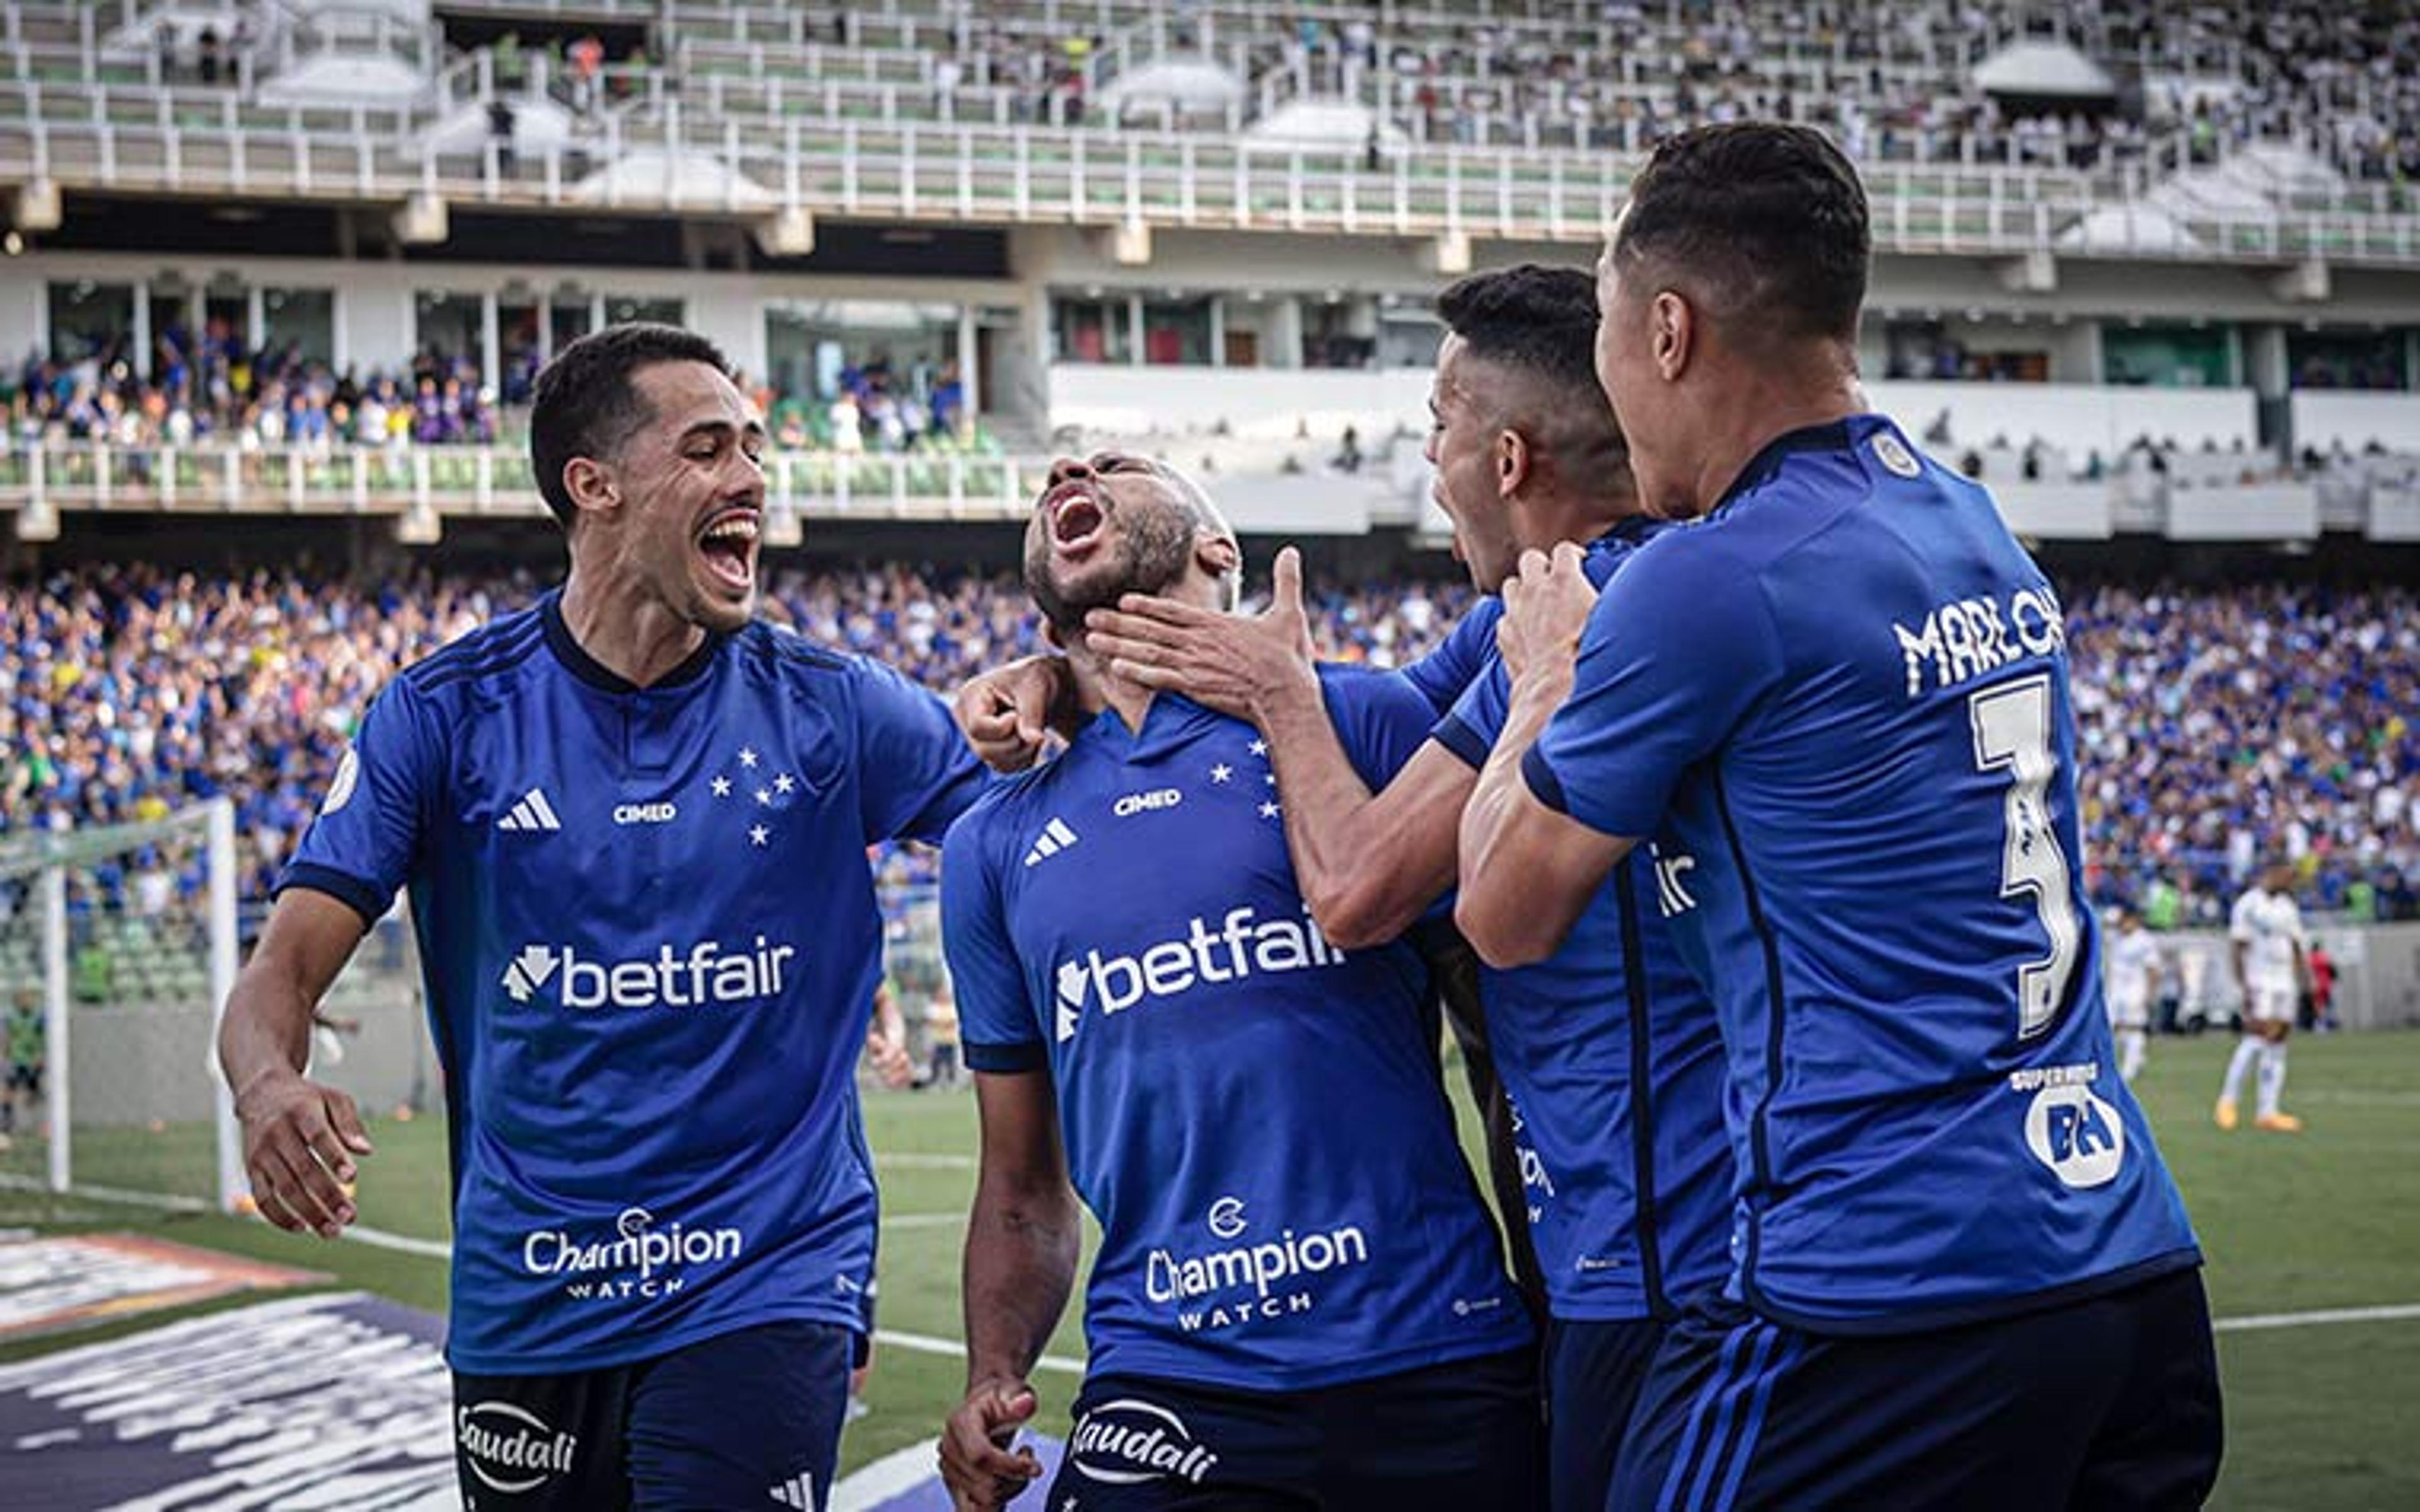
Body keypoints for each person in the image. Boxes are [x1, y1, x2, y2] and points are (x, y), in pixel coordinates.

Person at [1455, 123, 2218, 1509]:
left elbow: (1503, 913)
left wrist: (1542, 681)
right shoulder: (1974, 526)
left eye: (1614, 340)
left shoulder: (1713, 577)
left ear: (1669, 332)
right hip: (2125, 1265)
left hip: (1882, 1289)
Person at [217, 324, 989, 1511]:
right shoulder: (443, 716)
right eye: (707, 448)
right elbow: (284, 969)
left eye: (754, 448)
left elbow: (1040, 825)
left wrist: (1069, 690)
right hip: (533, 1301)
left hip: (765, 1277)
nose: (751, 479)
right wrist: (268, 1087)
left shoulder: (836, 710)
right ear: (595, 485)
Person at [1075, 266, 1731, 1510]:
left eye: (1441, 426)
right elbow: (1376, 710)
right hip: (1644, 1246)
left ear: (1510, 460)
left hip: (1663, 1265)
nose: (1428, 461)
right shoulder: (1556, 622)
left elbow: (1360, 888)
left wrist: (1272, 691)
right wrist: (1079, 677)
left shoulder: (1584, 618)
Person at [937, 452, 1540, 1511]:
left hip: (1432, 1352)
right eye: (1062, 477)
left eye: (1123, 466)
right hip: (1168, 1380)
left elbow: (1506, 1045)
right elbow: (1024, 1186)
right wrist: (996, 1369)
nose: (1072, 467)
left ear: (1220, 551)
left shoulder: (1365, 721)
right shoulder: (990, 844)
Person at [2218, 861, 2310, 1132]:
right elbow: (2238, 945)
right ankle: (2228, 1101)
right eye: (2287, 875)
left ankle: (2268, 1111)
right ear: (2272, 873)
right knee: (2256, 1038)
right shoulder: (2248, 904)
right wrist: (2243, 985)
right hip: (2260, 979)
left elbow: (2295, 946)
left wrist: (2299, 980)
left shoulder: (2287, 907)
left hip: (2284, 982)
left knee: (2279, 1041)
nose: (2290, 881)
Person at [2106, 907, 2160, 1082]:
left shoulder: (2144, 940)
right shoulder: (2116, 938)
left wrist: (2150, 993)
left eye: (2125, 921)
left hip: (2136, 988)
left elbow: (2153, 968)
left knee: (2134, 1027)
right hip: (2116, 989)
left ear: (2134, 920)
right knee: (2113, 1027)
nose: (2122, 925)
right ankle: (2137, 1058)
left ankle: (2129, 1069)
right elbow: (2104, 923)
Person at [3, 986, 40, 1142]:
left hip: (33, 1061)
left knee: (33, 1094)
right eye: (23, 999)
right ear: (16, 1002)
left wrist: (41, 1055)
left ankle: (38, 1124)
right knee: (8, 1093)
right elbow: (6, 1037)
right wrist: (4, 1055)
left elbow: (43, 1036)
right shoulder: (10, 1018)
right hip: (16, 1060)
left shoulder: (39, 1017)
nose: (26, 1002)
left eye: (29, 998)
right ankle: (6, 1125)